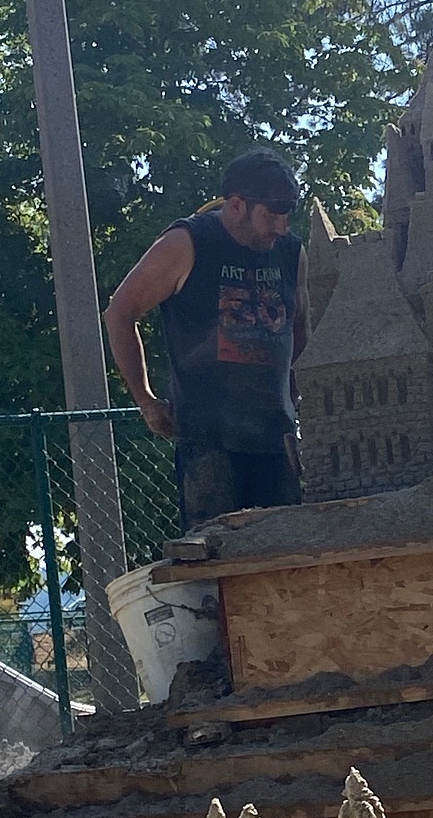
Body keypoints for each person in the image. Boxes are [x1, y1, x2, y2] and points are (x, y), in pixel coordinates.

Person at [104, 149, 310, 531]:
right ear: (236, 205)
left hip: (275, 439)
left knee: (288, 557)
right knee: (218, 559)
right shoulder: (189, 242)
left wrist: (300, 399)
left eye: (287, 215)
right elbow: (120, 312)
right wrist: (147, 402)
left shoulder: (292, 252)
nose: (281, 227)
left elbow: (299, 327)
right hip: (210, 442)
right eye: (271, 214)